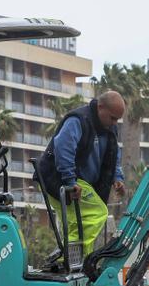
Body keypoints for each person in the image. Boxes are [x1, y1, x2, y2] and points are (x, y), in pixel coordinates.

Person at [36, 91, 126, 255]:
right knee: (98, 213)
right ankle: (70, 258)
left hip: (79, 181)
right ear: (100, 107)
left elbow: (114, 154)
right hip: (61, 178)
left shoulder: (109, 128)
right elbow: (63, 149)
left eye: (117, 119)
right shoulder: (78, 120)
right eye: (113, 118)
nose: (114, 123)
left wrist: (117, 177)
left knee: (76, 223)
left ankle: (77, 261)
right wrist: (70, 182)